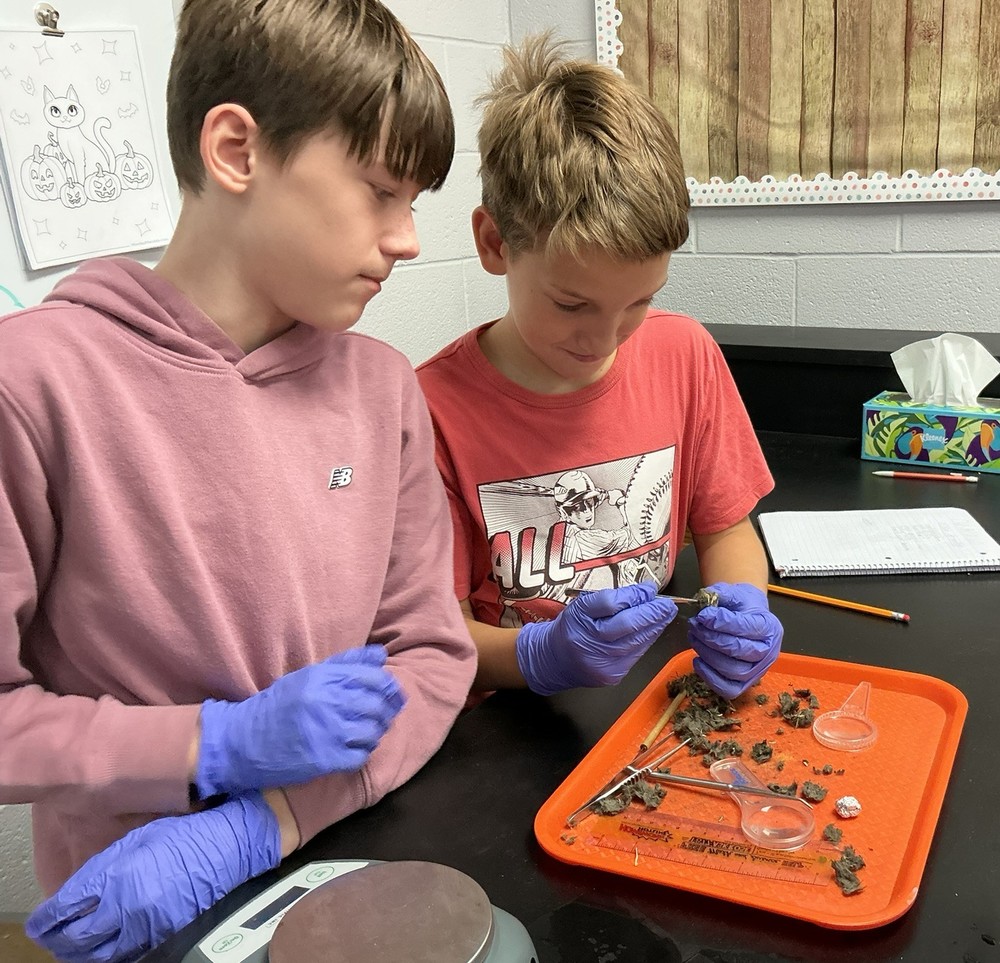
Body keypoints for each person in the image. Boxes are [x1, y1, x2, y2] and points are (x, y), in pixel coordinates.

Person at [0, 1, 477, 959]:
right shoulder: (33, 384)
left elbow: (430, 652)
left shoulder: (383, 387)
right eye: (381, 192)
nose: (408, 239)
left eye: (415, 201)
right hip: (143, 913)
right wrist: (208, 745)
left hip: (355, 866)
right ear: (236, 150)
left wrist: (269, 818)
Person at [416, 35, 782, 704]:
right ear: (495, 243)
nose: (605, 338)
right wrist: (540, 655)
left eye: (640, 301)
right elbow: (439, 639)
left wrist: (744, 606)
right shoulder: (429, 412)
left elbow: (727, 529)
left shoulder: (684, 354)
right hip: (511, 723)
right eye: (571, 304)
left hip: (648, 701)